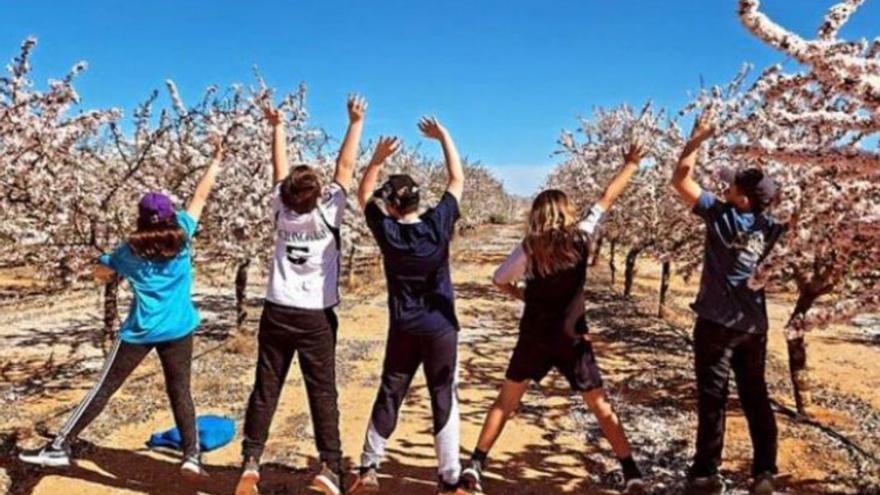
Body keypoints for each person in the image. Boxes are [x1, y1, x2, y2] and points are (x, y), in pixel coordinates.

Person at [18, 136, 228, 479]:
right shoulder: (184, 235)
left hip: (141, 331)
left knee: (103, 388)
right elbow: (201, 196)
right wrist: (216, 161)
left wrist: (96, 268)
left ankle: (59, 447)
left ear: (142, 220)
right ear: (170, 215)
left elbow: (103, 273)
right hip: (180, 328)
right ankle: (192, 456)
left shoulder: (128, 252)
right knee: (181, 391)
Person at [458, 137, 649, 495]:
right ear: (566, 212)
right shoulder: (581, 236)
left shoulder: (529, 248)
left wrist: (523, 294)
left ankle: (475, 466)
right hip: (572, 339)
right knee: (600, 406)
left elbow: (500, 279)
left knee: (506, 401)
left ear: (536, 216)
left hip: (534, 336)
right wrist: (632, 164)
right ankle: (632, 472)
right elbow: (607, 198)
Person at [234, 95, 366, 495]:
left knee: (266, 387)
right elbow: (346, 167)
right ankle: (329, 468)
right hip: (315, 318)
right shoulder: (327, 214)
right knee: (322, 391)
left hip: (276, 311)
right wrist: (356, 122)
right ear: (316, 194)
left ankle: (250, 464)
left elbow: (279, 169)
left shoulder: (280, 209)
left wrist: (277, 127)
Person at [671, 109, 786, 495]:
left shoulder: (720, 215)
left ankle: (705, 474)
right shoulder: (772, 227)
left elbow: (680, 179)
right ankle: (765, 472)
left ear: (744, 200)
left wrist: (696, 138)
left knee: (712, 397)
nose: (726, 188)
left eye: (733, 187)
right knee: (755, 397)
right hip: (753, 326)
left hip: (716, 324)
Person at [348, 117, 465, 495]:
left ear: (393, 207)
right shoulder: (438, 225)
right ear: (416, 200)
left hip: (404, 328)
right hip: (441, 329)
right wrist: (444, 136)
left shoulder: (389, 233)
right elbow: (456, 180)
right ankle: (449, 477)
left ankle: (369, 467)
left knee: (391, 391)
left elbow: (364, 192)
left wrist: (377, 159)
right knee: (442, 394)